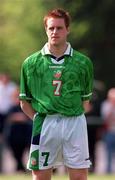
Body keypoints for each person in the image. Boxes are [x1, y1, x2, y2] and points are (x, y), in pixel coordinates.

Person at [19, 8, 93, 180]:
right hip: (44, 123)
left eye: (59, 28)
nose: (55, 32)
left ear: (68, 29)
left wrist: (69, 114)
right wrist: (40, 119)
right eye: (51, 28)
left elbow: (85, 101)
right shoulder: (31, 63)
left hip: (74, 123)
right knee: (40, 176)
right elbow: (24, 102)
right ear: (46, 30)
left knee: (79, 176)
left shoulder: (83, 63)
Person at [6, 87, 32, 172]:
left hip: (26, 136)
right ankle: (20, 168)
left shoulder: (26, 107)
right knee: (17, 156)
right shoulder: (11, 108)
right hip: (14, 137)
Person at [101, 88, 115, 173]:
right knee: (108, 153)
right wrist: (112, 106)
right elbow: (105, 117)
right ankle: (108, 171)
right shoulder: (106, 104)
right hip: (109, 131)